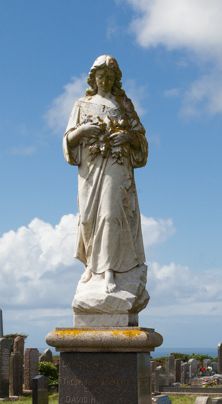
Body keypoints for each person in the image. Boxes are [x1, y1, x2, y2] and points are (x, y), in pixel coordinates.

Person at [64, 55, 147, 295]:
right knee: (88, 218)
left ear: (115, 79)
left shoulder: (125, 105)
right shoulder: (81, 104)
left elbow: (140, 138)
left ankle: (109, 269)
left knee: (111, 215)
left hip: (117, 165)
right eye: (101, 75)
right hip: (90, 168)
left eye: (110, 76)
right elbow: (67, 140)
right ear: (93, 77)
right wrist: (82, 131)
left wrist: (127, 137)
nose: (105, 80)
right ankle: (92, 265)